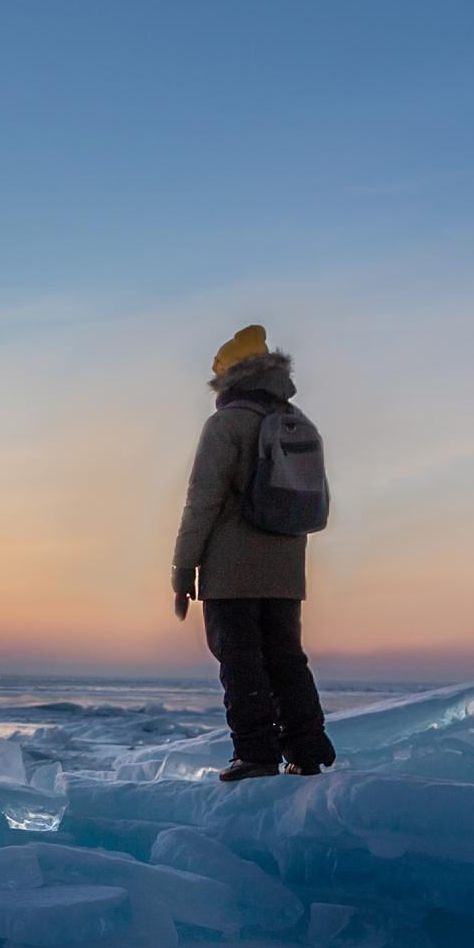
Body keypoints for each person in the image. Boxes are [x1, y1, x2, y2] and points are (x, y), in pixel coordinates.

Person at [171, 324, 337, 782]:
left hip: (231, 569)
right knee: (286, 657)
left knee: (240, 659)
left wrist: (184, 567)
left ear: (227, 378)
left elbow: (202, 501)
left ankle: (256, 754)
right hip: (286, 568)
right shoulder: (297, 421)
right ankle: (309, 749)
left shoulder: (225, 424)